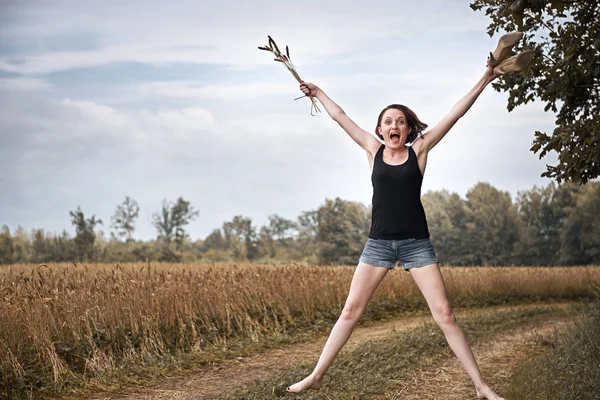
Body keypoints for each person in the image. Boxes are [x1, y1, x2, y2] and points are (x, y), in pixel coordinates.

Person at [286, 35, 534, 399]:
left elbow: (456, 112)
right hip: (379, 244)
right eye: (388, 121)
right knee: (351, 310)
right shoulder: (372, 150)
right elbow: (340, 117)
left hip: (417, 245)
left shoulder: (421, 149)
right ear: (380, 129)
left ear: (408, 128)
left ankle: (481, 387)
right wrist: (318, 92)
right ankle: (317, 375)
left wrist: (486, 78)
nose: (394, 126)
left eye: (400, 121)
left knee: (445, 315)